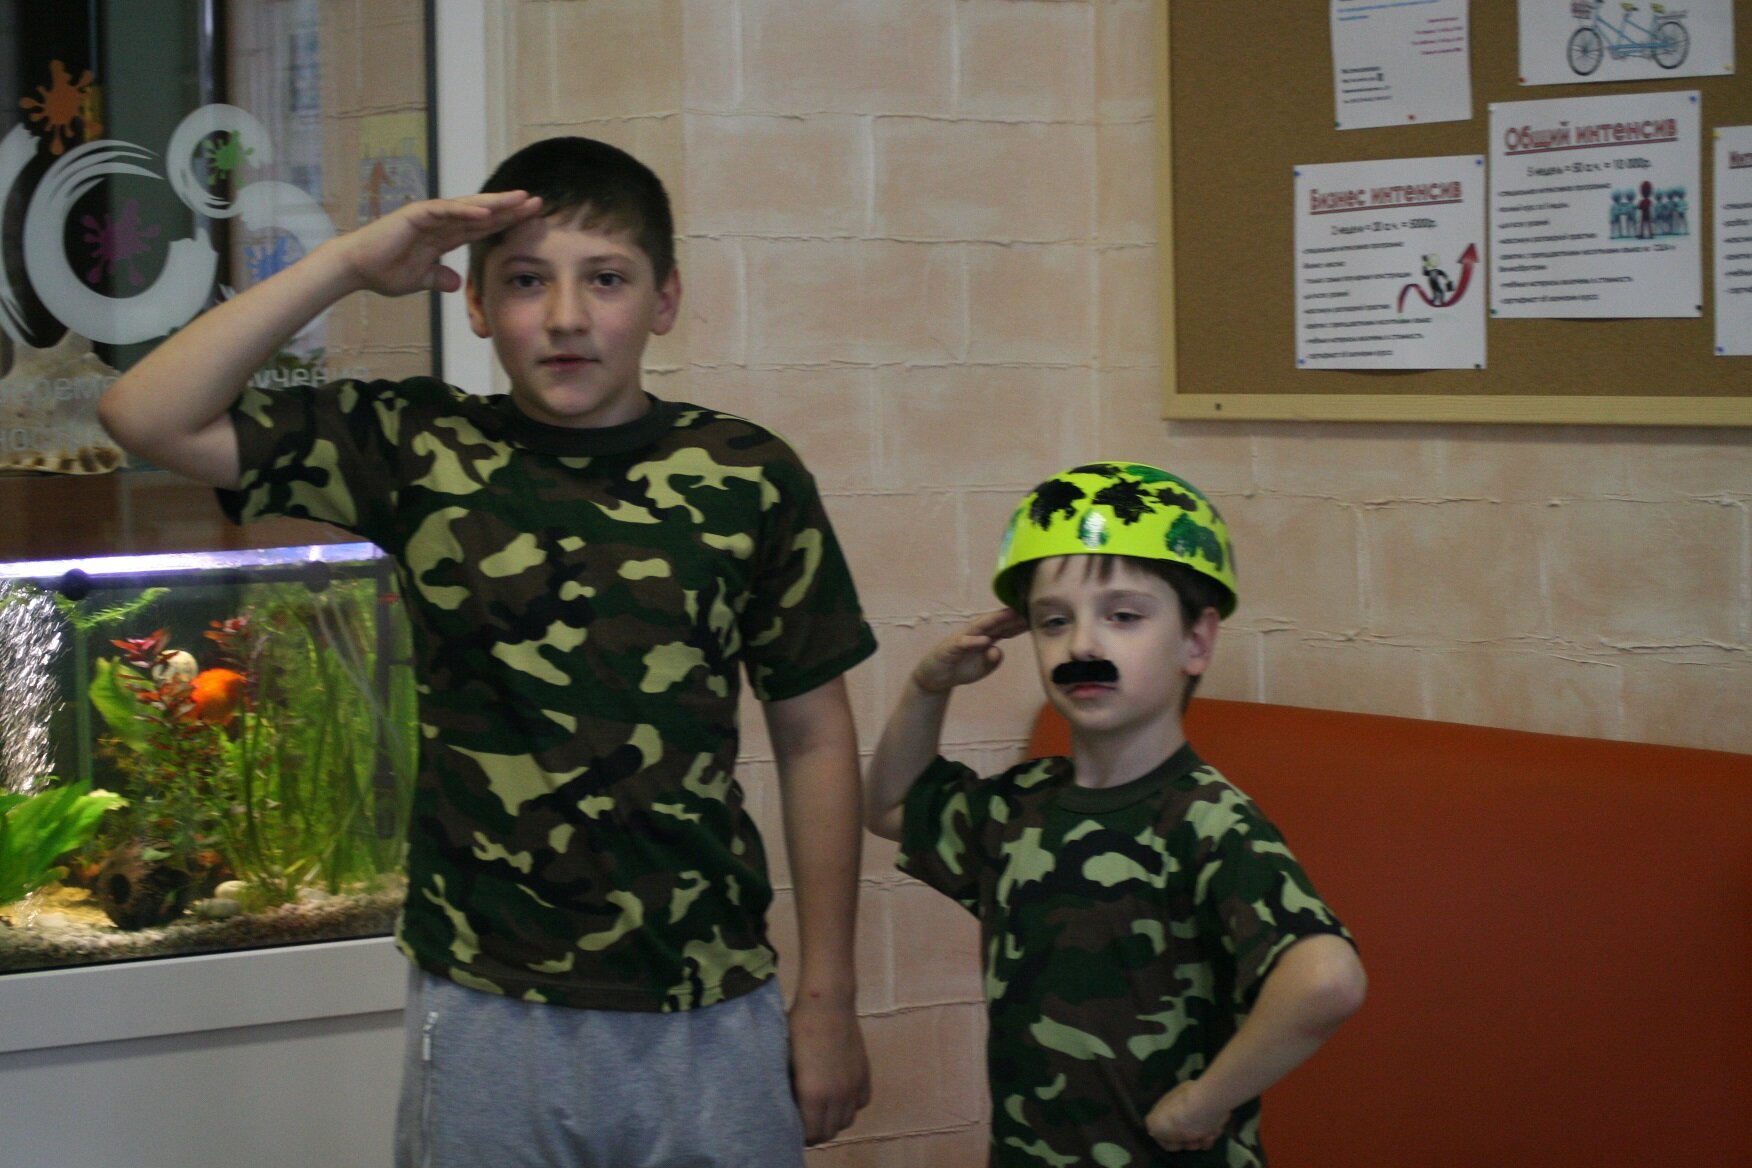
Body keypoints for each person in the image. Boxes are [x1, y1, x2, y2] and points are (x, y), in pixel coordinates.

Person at [98, 136, 875, 1167]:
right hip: (489, 1006)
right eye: (525, 280)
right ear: (474, 303)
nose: (566, 315)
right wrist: (347, 263)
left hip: (709, 998)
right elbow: (143, 413)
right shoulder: (419, 447)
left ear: (665, 299)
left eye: (606, 278)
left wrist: (829, 997)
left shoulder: (747, 475)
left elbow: (815, 736)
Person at [864, 462, 1366, 1166]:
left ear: (1196, 642)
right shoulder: (1018, 805)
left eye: (1123, 616)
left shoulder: (1209, 822)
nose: (1082, 646)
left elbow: (1326, 980)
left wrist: (1206, 1100)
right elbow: (890, 804)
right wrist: (927, 687)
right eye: (1054, 621)